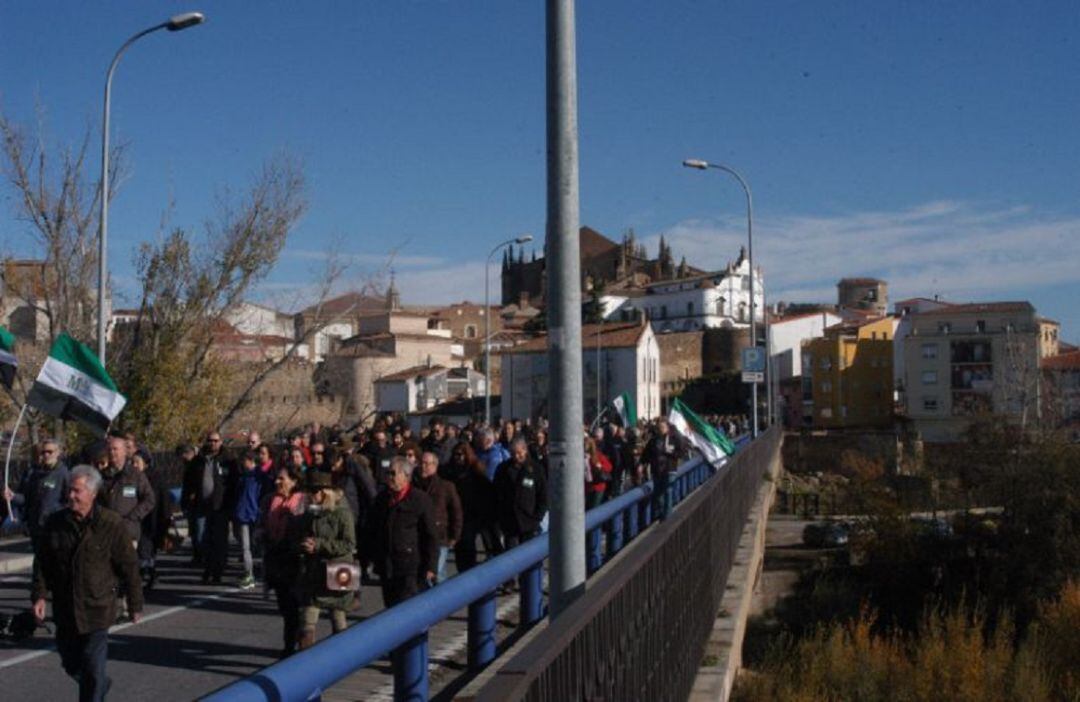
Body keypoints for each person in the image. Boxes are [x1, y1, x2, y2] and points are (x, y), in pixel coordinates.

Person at [31, 465, 143, 701]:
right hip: (66, 608)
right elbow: (43, 562)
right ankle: (100, 684)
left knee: (92, 667)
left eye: (77, 491)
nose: (71, 496)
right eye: (70, 490)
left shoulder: (110, 523)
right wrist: (39, 595)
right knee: (71, 663)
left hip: (97, 608)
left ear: (92, 493)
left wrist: (135, 603)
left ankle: (96, 687)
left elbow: (129, 566)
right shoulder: (56, 523)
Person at [294, 471, 356, 650]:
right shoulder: (310, 513)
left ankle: (342, 658)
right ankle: (305, 661)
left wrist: (319, 544)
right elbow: (301, 535)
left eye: (315, 491)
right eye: (310, 491)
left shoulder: (342, 513)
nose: (311, 496)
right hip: (313, 572)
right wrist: (304, 543)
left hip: (337, 571)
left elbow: (349, 544)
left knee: (338, 618)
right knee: (307, 621)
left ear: (325, 492)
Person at [367, 456, 437, 607]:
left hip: (410, 566)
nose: (389, 477)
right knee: (390, 607)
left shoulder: (420, 500)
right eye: (388, 473)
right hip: (387, 566)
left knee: (407, 607)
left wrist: (431, 566)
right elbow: (372, 529)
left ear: (406, 476)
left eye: (393, 473)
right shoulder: (381, 499)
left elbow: (430, 535)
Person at [262, 466, 306, 657]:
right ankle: (290, 644)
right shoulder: (269, 500)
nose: (277, 482)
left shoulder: (303, 501)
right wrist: (261, 535)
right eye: (277, 479)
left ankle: (295, 646)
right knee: (285, 605)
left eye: (282, 479)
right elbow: (261, 523)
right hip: (276, 557)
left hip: (296, 558)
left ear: (294, 481)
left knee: (297, 605)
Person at [4, 438, 70, 549]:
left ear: (58, 453)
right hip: (36, 527)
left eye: (50, 452)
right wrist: (13, 496)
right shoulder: (35, 474)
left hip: (54, 528)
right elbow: (26, 498)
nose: (46, 455)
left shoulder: (64, 474)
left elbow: (69, 501)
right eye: (43, 452)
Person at [450, 441, 501, 572]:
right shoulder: (450, 472)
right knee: (460, 550)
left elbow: (486, 492)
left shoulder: (476, 472)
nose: (458, 458)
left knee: (470, 549)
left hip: (472, 516)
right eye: (455, 455)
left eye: (460, 454)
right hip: (457, 516)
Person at [413, 451, 463, 584]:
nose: (423, 466)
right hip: (420, 537)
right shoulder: (414, 486)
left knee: (434, 573)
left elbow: (456, 512)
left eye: (426, 464)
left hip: (440, 536)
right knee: (432, 575)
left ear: (435, 466)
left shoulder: (446, 487)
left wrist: (455, 535)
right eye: (421, 463)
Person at [493, 437, 547, 551]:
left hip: (529, 522)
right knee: (512, 556)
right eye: (513, 453)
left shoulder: (536, 469)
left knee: (529, 556)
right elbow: (496, 492)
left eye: (519, 453)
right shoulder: (503, 469)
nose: (516, 456)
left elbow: (543, 496)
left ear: (525, 450)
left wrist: (537, 518)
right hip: (509, 522)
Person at [196, 431, 235, 584]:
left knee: (218, 540)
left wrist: (230, 504)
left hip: (220, 506)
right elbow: (191, 480)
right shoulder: (200, 459)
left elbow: (233, 483)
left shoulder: (228, 459)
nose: (213, 443)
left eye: (216, 440)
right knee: (201, 538)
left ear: (220, 442)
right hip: (202, 505)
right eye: (210, 440)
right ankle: (207, 567)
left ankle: (216, 571)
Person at [642, 418, 688, 521]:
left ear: (667, 427)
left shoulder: (674, 438)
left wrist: (670, 452)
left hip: (669, 468)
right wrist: (641, 464)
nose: (660, 429)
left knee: (668, 490)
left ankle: (667, 517)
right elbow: (646, 453)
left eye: (662, 427)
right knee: (658, 493)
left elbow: (681, 452)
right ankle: (661, 513)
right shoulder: (654, 440)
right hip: (657, 469)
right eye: (659, 427)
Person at [233, 450, 263, 590]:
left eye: (245, 461)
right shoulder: (244, 477)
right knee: (246, 547)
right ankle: (249, 573)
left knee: (252, 546)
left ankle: (252, 573)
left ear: (251, 461)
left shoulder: (258, 477)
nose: (242, 463)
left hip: (253, 515)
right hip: (244, 514)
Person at [584, 437, 613, 510]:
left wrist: (600, 466)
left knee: (594, 508)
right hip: (587, 486)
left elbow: (609, 467)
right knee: (587, 507)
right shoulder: (582, 456)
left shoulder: (598, 455)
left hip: (597, 486)